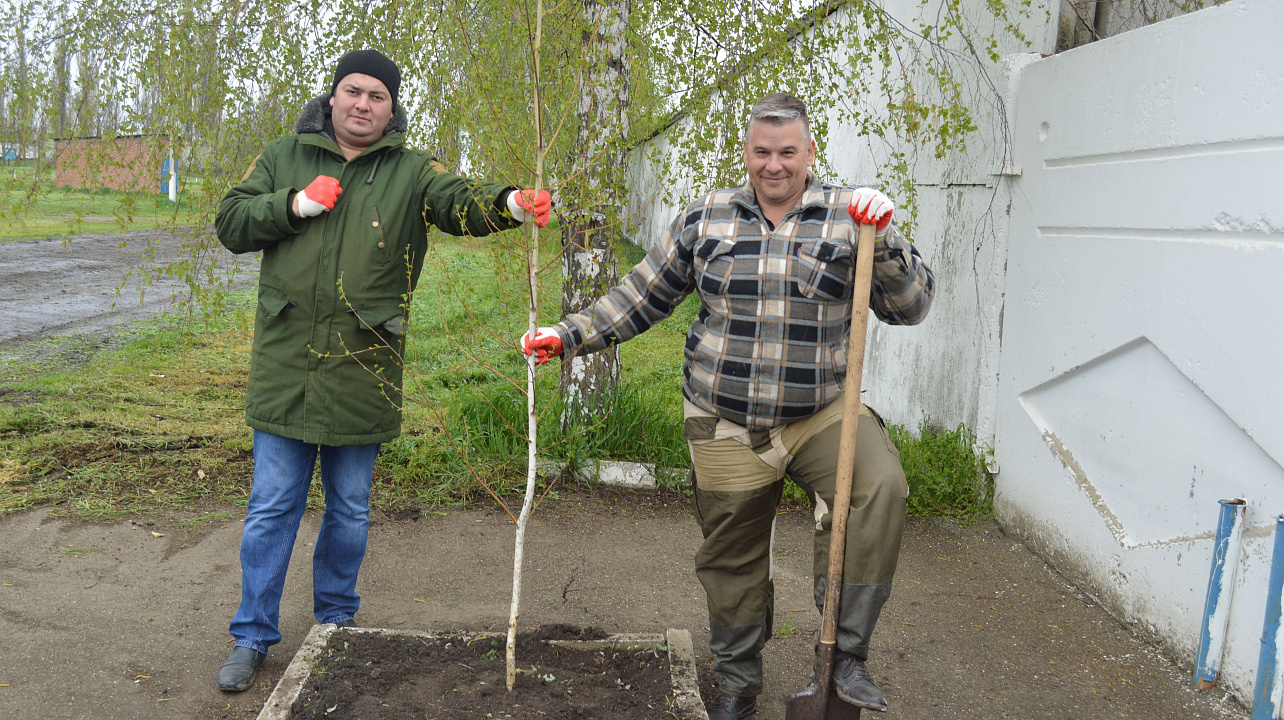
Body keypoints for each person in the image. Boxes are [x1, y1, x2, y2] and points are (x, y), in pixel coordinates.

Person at [521, 93, 934, 718]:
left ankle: (845, 658)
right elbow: (641, 295)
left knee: (878, 490)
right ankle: (738, 686)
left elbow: (911, 307)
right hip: (725, 419)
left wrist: (889, 238)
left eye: (787, 152)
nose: (775, 165)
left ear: (809, 153)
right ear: (746, 153)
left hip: (820, 415)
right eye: (762, 152)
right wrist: (570, 334)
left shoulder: (849, 220)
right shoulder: (705, 219)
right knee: (731, 555)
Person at [213, 49, 551, 693]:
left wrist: (509, 201)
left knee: (349, 509)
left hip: (365, 363)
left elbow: (459, 202)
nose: (363, 104)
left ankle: (335, 628)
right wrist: (294, 205)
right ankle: (251, 635)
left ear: (391, 109)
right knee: (272, 507)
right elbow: (231, 221)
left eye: (377, 96)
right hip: (286, 364)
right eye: (353, 91)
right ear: (333, 97)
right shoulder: (285, 155)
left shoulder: (410, 170)